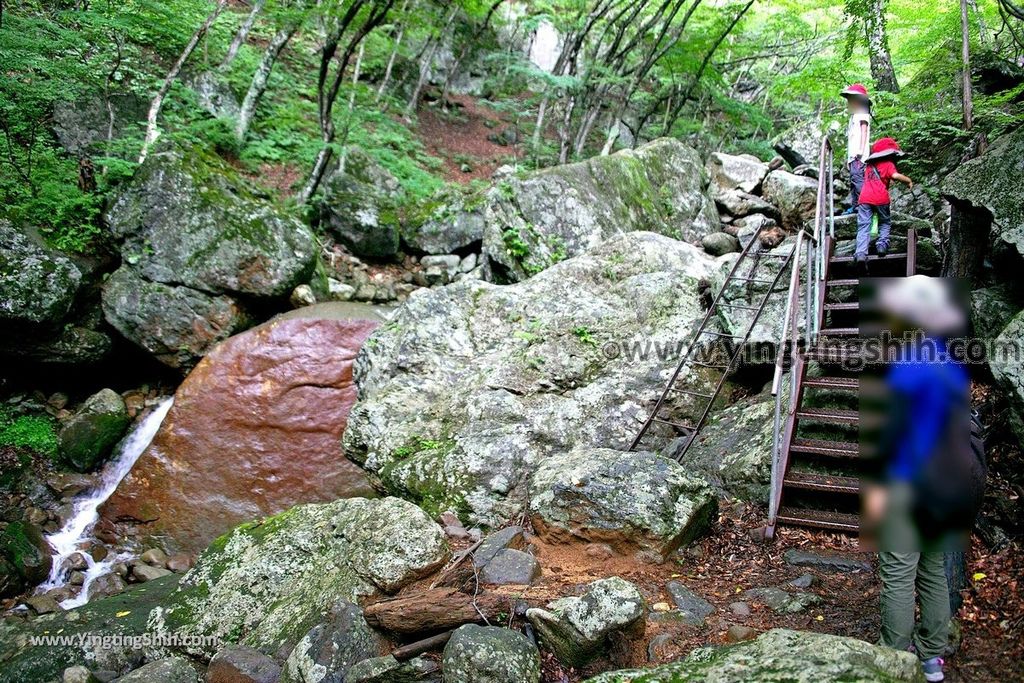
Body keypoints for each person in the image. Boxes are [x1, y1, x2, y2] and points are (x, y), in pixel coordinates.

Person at [862, 276, 977, 683]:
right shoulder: (949, 364)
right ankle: (932, 658)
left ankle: (895, 658)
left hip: (908, 482)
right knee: (932, 571)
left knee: (898, 572)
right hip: (946, 485)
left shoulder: (909, 364)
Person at [855, 138, 913, 272]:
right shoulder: (888, 163)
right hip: (881, 198)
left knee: (864, 226)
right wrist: (908, 181)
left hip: (864, 198)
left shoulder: (869, 166)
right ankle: (882, 245)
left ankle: (861, 254)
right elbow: (895, 176)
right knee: (885, 222)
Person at [841, 83, 873, 214]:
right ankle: (855, 205)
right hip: (853, 156)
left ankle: (865, 205)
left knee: (858, 179)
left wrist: (860, 151)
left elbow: (864, 132)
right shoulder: (853, 117)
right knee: (853, 181)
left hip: (859, 155)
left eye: (851, 100)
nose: (849, 103)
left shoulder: (862, 114)